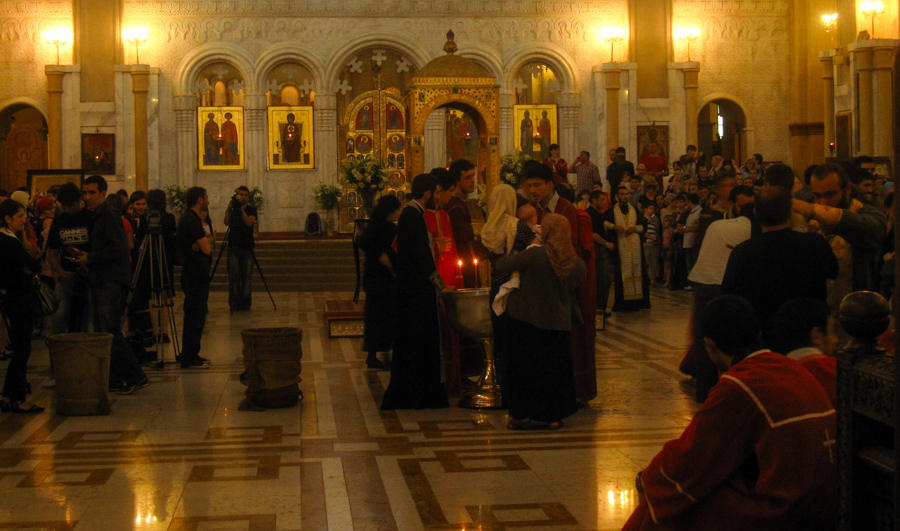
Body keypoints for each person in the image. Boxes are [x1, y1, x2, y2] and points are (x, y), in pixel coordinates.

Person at [623, 295, 837, 531]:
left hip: (784, 511)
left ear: (710, 346)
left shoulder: (742, 383)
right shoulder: (788, 366)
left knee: (673, 503)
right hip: (824, 501)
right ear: (757, 334)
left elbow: (693, 455)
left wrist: (648, 478)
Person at [494, 213, 585, 430]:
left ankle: (519, 416)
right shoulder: (575, 262)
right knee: (554, 371)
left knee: (524, 370)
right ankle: (553, 416)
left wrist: (515, 251)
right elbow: (578, 283)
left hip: (526, 321)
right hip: (558, 324)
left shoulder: (534, 255)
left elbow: (502, 265)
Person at [722, 186, 838, 336]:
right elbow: (833, 272)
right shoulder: (816, 243)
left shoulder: (742, 252)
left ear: (755, 212)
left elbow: (729, 297)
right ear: (790, 211)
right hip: (811, 334)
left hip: (765, 336)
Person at [381, 174, 451, 410]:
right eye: (438, 192)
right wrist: (441, 286)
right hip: (415, 293)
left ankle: (416, 392)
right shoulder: (413, 216)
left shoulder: (412, 214)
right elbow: (422, 257)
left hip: (413, 290)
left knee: (415, 341)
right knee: (418, 341)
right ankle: (418, 394)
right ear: (428, 194)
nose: (440, 198)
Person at [683, 191, 755, 402]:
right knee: (731, 341)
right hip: (725, 285)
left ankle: (704, 392)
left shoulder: (716, 225)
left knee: (703, 339)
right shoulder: (752, 229)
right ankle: (731, 392)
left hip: (703, 284)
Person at [85, 190, 149, 394]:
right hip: (102, 278)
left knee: (110, 329)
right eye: (85, 192)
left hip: (110, 279)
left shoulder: (109, 214)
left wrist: (90, 257)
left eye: (92, 192)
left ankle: (135, 375)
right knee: (104, 330)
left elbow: (118, 247)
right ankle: (114, 378)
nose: (88, 197)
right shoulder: (97, 214)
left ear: (103, 193)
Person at [481, 184, 538, 402]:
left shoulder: (488, 228)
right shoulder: (516, 226)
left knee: (502, 340)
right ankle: (518, 393)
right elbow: (535, 249)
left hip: (496, 289)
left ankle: (503, 390)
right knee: (519, 342)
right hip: (516, 289)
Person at [793, 162, 886, 292]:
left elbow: (866, 228)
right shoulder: (811, 220)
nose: (822, 202)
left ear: (846, 189)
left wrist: (814, 210)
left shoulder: (869, 214)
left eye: (829, 194)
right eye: (817, 196)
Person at [0, 199, 43, 413]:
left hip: (13, 297)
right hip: (19, 299)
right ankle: (18, 398)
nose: (23, 220)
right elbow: (32, 264)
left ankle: (9, 394)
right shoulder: (8, 241)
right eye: (19, 216)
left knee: (20, 348)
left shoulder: (9, 238)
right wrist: (30, 267)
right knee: (22, 350)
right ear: (7, 219)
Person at [46, 183, 94, 337]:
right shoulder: (59, 221)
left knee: (89, 321)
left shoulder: (91, 218)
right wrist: (60, 272)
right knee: (58, 317)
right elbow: (52, 252)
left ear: (80, 200)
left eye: (71, 205)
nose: (67, 210)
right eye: (64, 206)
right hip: (66, 276)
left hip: (89, 277)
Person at [770, 297, 838, 405]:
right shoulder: (837, 371)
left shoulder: (771, 378)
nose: (835, 340)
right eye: (832, 332)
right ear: (816, 336)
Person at [359, 195, 401, 370]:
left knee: (374, 318)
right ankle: (386, 354)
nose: (400, 212)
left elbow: (364, 243)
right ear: (391, 211)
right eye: (398, 209)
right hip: (385, 279)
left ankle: (373, 354)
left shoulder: (372, 226)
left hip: (372, 277)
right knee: (387, 317)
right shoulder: (390, 228)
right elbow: (391, 251)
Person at [177, 187, 212, 369]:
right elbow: (207, 248)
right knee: (194, 316)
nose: (208, 200)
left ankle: (192, 353)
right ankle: (189, 356)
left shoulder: (190, 218)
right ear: (199, 200)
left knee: (196, 316)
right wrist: (204, 241)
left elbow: (204, 244)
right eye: (206, 197)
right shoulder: (191, 220)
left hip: (196, 273)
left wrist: (203, 241)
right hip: (194, 274)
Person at [603, 185, 650, 312]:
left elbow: (643, 226)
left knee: (637, 272)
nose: (625, 196)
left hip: (635, 248)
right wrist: (614, 227)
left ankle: (638, 302)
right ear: (617, 197)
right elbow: (604, 223)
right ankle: (623, 304)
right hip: (621, 247)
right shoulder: (612, 211)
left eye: (627, 194)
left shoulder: (634, 209)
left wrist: (634, 228)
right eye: (622, 194)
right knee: (622, 275)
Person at [444, 158, 481, 287]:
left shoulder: (459, 203)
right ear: (457, 181)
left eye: (473, 176)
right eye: (467, 177)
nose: (472, 181)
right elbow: (462, 241)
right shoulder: (456, 206)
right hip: (461, 262)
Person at [223, 186, 257, 312]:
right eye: (241, 195)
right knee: (233, 277)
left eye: (245, 195)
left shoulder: (251, 209)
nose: (243, 197)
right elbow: (226, 222)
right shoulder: (232, 209)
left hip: (247, 247)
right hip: (233, 246)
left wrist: (241, 210)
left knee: (247, 277)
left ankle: (246, 303)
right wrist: (229, 208)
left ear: (248, 197)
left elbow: (249, 222)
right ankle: (234, 303)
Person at [426, 168, 459, 287]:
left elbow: (453, 250)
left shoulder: (444, 215)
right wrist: (436, 246)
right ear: (439, 191)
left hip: (448, 274)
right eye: (450, 190)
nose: (453, 194)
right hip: (430, 277)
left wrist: (458, 277)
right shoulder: (421, 216)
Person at [588, 191, 614, 316]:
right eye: (602, 199)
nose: (605, 202)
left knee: (604, 279)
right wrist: (606, 244)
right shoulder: (591, 214)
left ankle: (600, 308)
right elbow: (593, 234)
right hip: (598, 249)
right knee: (602, 279)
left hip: (599, 249)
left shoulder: (598, 214)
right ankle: (599, 309)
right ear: (594, 200)